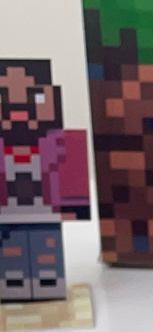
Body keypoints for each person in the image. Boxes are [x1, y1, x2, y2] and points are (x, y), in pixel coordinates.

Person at [0, 60, 90, 301]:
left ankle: (48, 284)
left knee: (46, 252)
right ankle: (14, 285)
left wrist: (75, 207)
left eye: (35, 97)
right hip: (8, 216)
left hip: (45, 213)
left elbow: (72, 171)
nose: (19, 110)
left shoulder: (56, 144)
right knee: (12, 256)